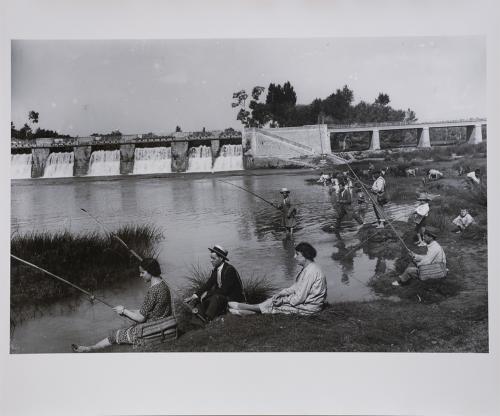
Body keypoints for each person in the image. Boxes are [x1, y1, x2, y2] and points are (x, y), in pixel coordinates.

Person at [72, 258, 173, 352]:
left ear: (150, 271)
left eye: (142, 272)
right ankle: (91, 348)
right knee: (126, 328)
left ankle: (90, 349)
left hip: (150, 330)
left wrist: (124, 310)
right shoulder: (163, 285)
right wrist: (127, 311)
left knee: (115, 335)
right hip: (162, 324)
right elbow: (148, 310)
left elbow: (141, 318)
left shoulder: (152, 291)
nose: (140, 275)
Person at [228, 242, 327, 316]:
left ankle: (248, 308)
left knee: (275, 305)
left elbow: (299, 298)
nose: (294, 256)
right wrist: (281, 293)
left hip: (309, 308)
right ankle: (247, 311)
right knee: (274, 300)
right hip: (306, 303)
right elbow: (296, 287)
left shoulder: (311, 272)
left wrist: (283, 301)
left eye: (297, 254)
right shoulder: (307, 269)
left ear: (305, 256)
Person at [184, 245, 244, 323]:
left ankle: (209, 319)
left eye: (213, 258)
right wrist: (194, 296)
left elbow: (224, 290)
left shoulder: (229, 270)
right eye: (211, 258)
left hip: (233, 298)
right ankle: (198, 322)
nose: (211, 260)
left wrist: (208, 293)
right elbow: (208, 284)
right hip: (223, 296)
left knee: (215, 297)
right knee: (199, 299)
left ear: (221, 258)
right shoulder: (216, 270)